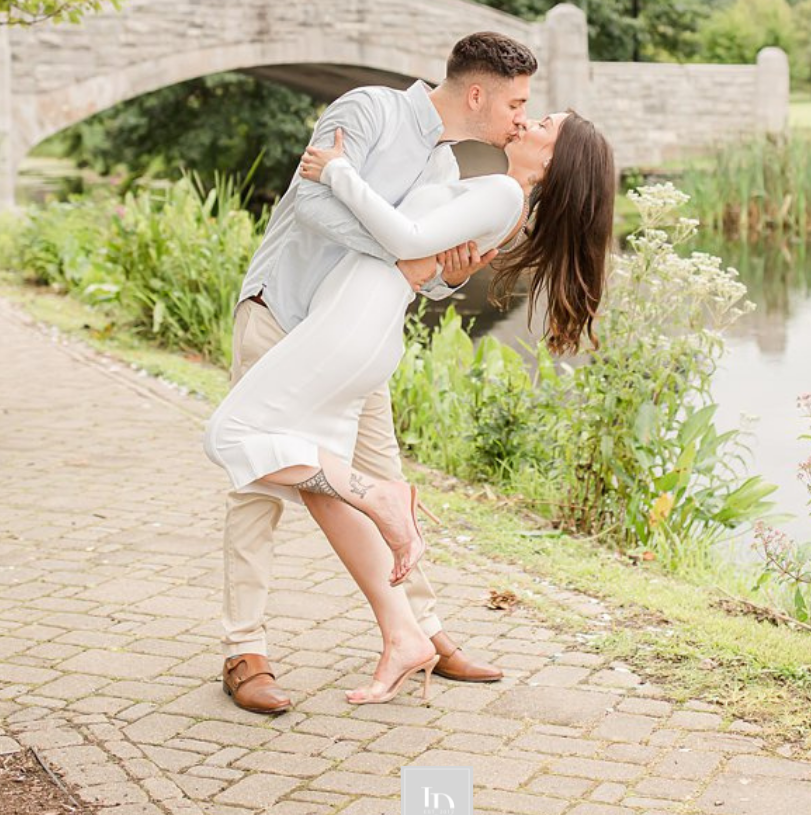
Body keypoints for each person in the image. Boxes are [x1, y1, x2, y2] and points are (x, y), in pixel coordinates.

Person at [206, 104, 616, 706]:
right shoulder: (466, 171)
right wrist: (434, 259)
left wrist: (339, 171)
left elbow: (410, 243)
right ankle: (405, 634)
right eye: (522, 108)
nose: (525, 120)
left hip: (352, 324)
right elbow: (425, 252)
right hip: (350, 320)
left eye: (540, 121)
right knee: (319, 483)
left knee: (230, 435)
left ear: (554, 158)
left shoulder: (503, 191)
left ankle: (384, 504)